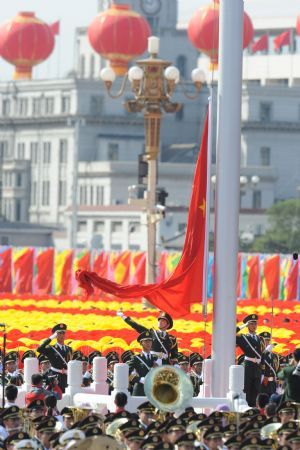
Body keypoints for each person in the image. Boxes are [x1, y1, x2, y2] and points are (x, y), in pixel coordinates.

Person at [236, 314, 264, 407]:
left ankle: (254, 408)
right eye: (251, 324)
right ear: (247, 325)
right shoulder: (242, 337)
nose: (254, 326)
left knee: (256, 389)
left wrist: (263, 369)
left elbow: (262, 354)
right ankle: (247, 408)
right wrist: (242, 326)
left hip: (257, 366)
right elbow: (231, 332)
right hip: (248, 365)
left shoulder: (260, 339)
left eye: (255, 324)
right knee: (247, 388)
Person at [37, 323, 72, 393]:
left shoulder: (69, 349)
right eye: (59, 333)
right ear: (56, 335)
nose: (62, 335)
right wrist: (51, 337)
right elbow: (39, 348)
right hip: (55, 377)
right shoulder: (51, 348)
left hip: (67, 377)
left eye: (63, 333)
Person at [128, 331, 157, 396]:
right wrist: (139, 379)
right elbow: (127, 372)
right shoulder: (135, 358)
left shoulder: (155, 358)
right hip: (140, 390)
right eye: (146, 341)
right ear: (141, 343)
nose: (148, 343)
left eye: (150, 341)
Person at [259, 331, 280, 395]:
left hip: (272, 384)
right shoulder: (259, 354)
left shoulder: (275, 356)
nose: (267, 342)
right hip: (263, 383)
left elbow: (277, 369)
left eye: (268, 340)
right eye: (265, 340)